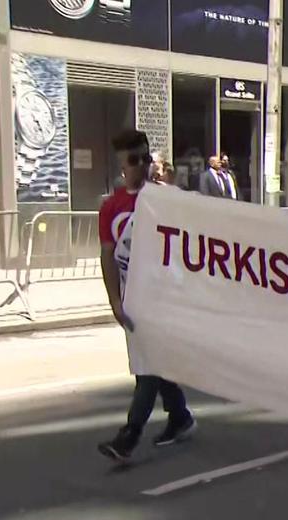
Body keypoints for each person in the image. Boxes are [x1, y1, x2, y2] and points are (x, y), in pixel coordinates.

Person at [96, 129, 196, 462]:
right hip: (134, 299)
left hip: (164, 298)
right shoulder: (111, 207)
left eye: (146, 157)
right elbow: (108, 255)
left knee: (148, 365)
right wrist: (114, 301)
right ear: (121, 164)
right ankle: (180, 416)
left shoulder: (164, 198)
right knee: (154, 361)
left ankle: (130, 435)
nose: (143, 165)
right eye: (135, 160)